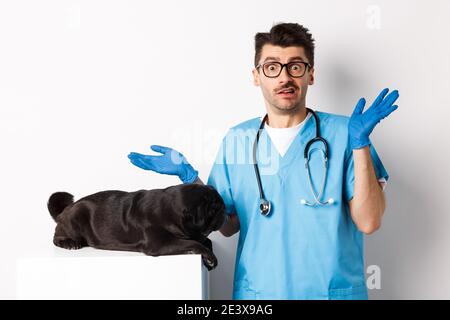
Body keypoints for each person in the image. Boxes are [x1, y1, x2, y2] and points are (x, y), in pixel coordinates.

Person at [127, 22, 399, 300]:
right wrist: (190, 178)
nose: (284, 78)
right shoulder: (238, 139)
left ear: (311, 74)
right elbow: (227, 226)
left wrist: (361, 145)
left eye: (295, 66)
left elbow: (369, 222)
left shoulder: (346, 134)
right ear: (257, 76)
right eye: (272, 67)